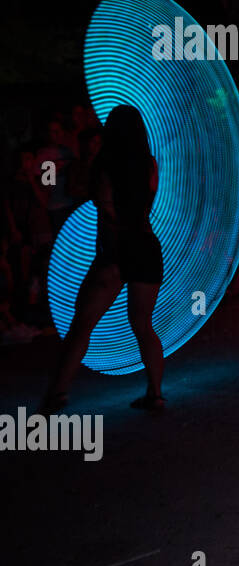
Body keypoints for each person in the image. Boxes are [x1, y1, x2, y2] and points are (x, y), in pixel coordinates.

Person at [40, 104, 165, 414]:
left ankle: (57, 395)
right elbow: (148, 200)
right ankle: (156, 393)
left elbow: (107, 208)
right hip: (146, 245)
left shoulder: (106, 162)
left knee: (83, 324)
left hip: (116, 249)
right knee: (143, 325)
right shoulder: (149, 163)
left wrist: (111, 251)